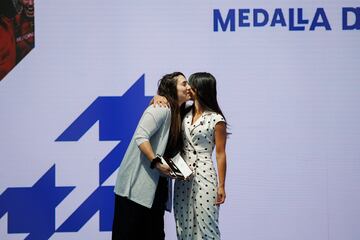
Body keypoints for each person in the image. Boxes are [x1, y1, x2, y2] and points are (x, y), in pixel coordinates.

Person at [112, 72, 191, 240]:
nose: (188, 87)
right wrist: (155, 162)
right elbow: (141, 137)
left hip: (156, 189)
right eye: (184, 84)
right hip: (135, 190)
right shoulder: (161, 108)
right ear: (171, 88)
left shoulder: (180, 114)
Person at [154, 72, 228, 239]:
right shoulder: (183, 112)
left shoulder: (216, 119)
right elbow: (163, 104)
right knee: (183, 226)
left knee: (208, 227)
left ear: (201, 89)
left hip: (205, 176)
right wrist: (157, 97)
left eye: (192, 85)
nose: (188, 88)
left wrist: (222, 185)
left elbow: (221, 154)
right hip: (182, 176)